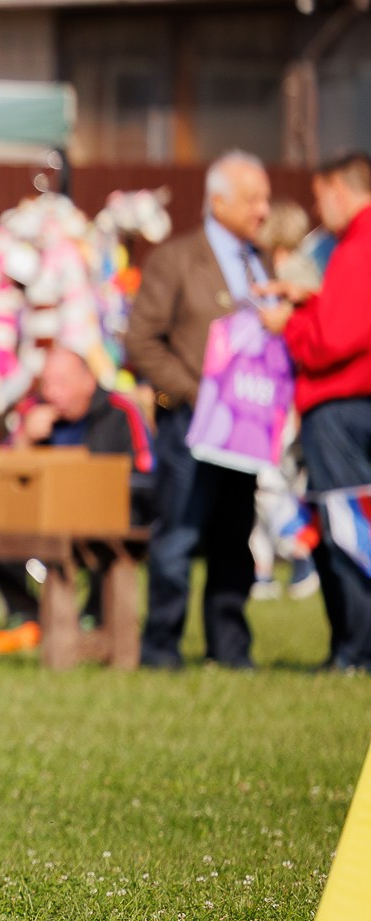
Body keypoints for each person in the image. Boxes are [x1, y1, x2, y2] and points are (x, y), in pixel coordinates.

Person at [125, 149, 273, 670]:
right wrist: (191, 393)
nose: (262, 209)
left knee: (235, 538)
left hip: (245, 428)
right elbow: (141, 341)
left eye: (265, 199)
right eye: (252, 199)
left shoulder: (261, 261)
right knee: (179, 535)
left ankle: (230, 648)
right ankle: (162, 647)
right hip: (191, 421)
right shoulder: (177, 258)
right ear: (219, 201)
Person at [260, 151, 371, 672]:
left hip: (342, 405)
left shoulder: (359, 243)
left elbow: (336, 337)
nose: (316, 205)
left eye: (320, 193)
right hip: (350, 404)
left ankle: (356, 649)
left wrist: (293, 324)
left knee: (346, 527)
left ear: (341, 189)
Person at [0, 345, 155, 655]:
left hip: (105, 519)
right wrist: (25, 440)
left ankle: (95, 617)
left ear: (88, 381)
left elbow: (146, 473)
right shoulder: (32, 411)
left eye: (62, 382)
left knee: (108, 538)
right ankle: (29, 611)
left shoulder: (120, 412)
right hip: (39, 521)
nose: (53, 392)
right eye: (47, 383)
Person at [249, 202, 319, 603]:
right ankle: (260, 569)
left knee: (270, 483)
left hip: (284, 395)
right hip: (275, 393)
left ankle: (299, 550)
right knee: (268, 482)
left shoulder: (294, 277)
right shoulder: (294, 271)